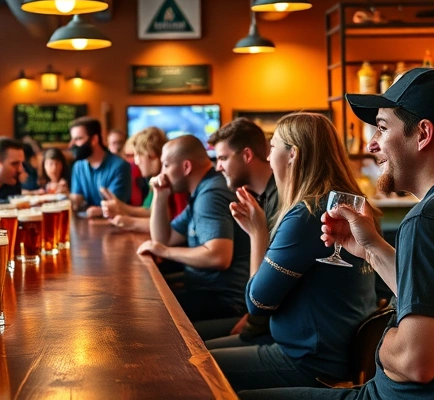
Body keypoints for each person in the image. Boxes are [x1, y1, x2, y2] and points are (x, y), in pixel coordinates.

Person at [245, 68, 434, 400]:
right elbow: (432, 292)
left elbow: (417, 363)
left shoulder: (431, 219)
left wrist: (385, 339)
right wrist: (371, 249)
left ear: (423, 134)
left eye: (382, 127)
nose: (373, 143)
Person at [209, 113, 379, 391]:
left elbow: (257, 303)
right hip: (331, 351)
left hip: (308, 361)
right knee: (197, 352)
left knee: (192, 366)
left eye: (272, 147)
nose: (268, 156)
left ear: (292, 155)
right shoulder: (356, 205)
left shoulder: (307, 214)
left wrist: (257, 233)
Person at [137, 135, 249, 324]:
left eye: (165, 165)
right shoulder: (202, 191)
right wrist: (160, 196)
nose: (161, 173)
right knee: (147, 302)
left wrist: (164, 252)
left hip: (224, 301)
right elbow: (164, 238)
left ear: (186, 167)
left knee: (148, 314)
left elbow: (218, 257)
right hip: (205, 291)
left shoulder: (210, 195)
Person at [198, 118, 281, 342]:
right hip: (257, 310)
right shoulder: (256, 198)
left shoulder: (281, 200)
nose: (217, 167)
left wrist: (254, 318)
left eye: (223, 158)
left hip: (276, 327)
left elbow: (274, 282)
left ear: (246, 155)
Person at [105, 127, 188, 233]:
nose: (135, 161)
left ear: (152, 154)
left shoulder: (173, 181)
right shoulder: (157, 178)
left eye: (138, 154)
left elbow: (171, 227)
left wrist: (130, 221)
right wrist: (121, 209)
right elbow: (151, 211)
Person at [69, 117, 132, 218]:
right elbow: (77, 198)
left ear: (94, 139)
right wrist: (69, 198)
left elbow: (117, 207)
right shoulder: (78, 166)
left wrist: (100, 211)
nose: (71, 145)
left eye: (78, 139)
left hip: (117, 227)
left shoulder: (120, 166)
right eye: (72, 139)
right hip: (86, 225)